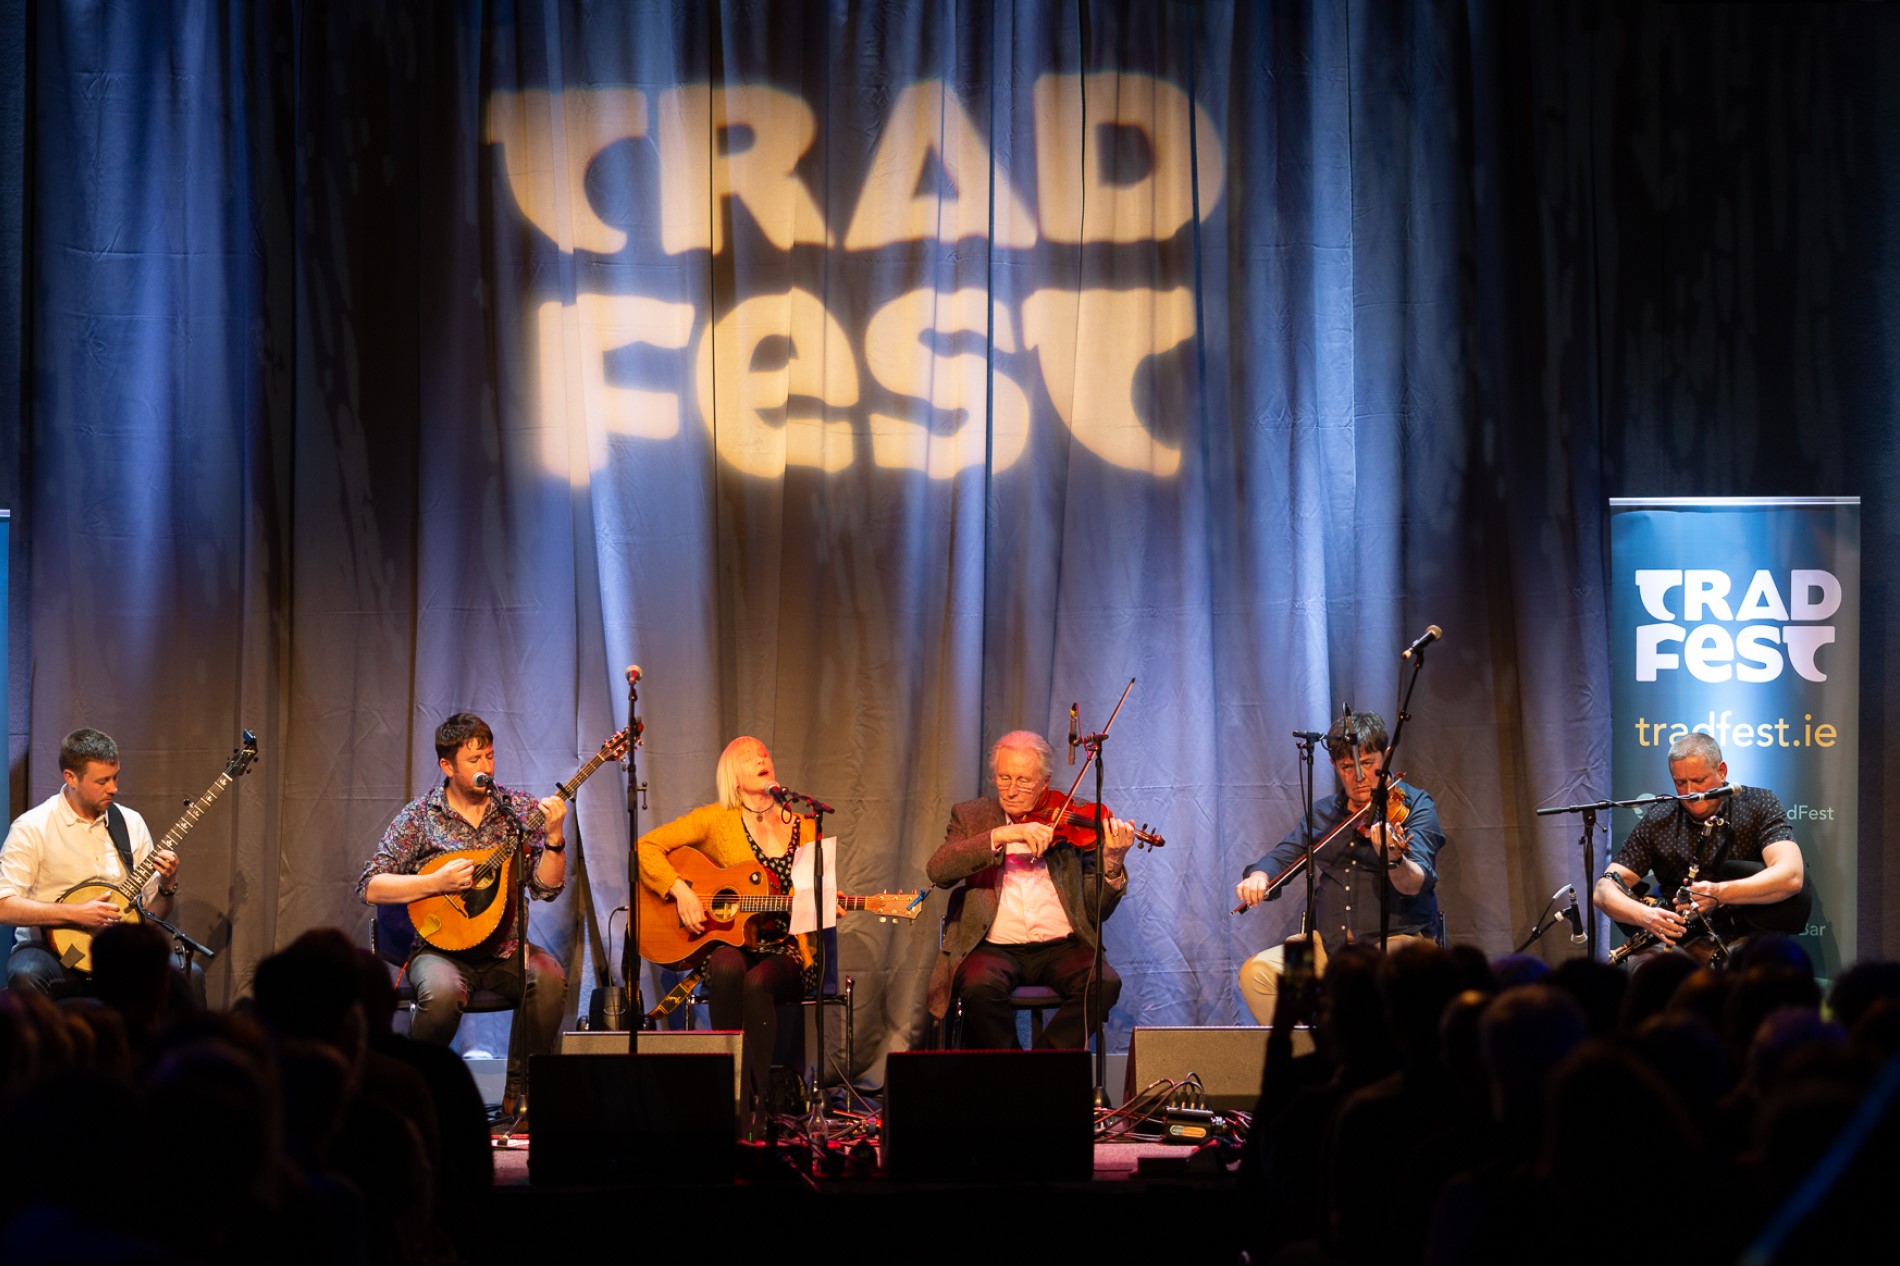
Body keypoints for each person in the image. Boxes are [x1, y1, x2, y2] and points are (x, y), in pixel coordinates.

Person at [357, 712, 568, 1117]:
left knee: (550, 978)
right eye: (474, 761)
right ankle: (414, 1096)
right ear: (447, 766)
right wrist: (434, 884)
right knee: (441, 992)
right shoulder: (421, 817)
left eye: (489, 756)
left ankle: (520, 1098)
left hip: (503, 949)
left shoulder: (518, 811)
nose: (486, 768)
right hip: (439, 950)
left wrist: (555, 839)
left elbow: (546, 888)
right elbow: (370, 885)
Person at [635, 736, 818, 1134]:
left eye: (765, 753)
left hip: (785, 950)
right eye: (750, 758)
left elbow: (811, 898)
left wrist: (824, 901)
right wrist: (679, 889)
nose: (762, 759)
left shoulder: (804, 826)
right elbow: (646, 847)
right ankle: (730, 1097)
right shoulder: (716, 819)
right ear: (734, 775)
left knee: (757, 983)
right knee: (725, 966)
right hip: (732, 942)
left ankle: (761, 1101)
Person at [1233, 709, 1447, 1024]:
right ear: (1334, 766)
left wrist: (1393, 857)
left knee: (1381, 990)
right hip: (1325, 948)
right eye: (1347, 767)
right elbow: (1284, 855)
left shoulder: (1414, 806)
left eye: (1369, 764)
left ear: (1385, 757)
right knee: (1258, 974)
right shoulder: (1322, 815)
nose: (1359, 776)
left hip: (1395, 943)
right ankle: (1309, 1059)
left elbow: (1415, 881)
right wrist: (1260, 876)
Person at [926, 730, 1134, 1050]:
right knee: (977, 986)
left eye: (1023, 780)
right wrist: (1001, 836)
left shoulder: (1073, 817)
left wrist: (1112, 865)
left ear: (1044, 782)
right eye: (1003, 778)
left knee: (1104, 983)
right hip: (994, 946)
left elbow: (1096, 911)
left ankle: (1037, 1072)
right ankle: (1019, 1077)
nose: (1010, 790)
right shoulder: (970, 816)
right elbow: (939, 870)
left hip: (1062, 947)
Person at [1594, 732, 1805, 965]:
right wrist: (1647, 917)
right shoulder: (1659, 819)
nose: (1690, 792)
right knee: (1647, 968)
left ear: (1721, 771)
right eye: (1680, 783)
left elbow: (1791, 876)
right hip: (1681, 942)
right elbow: (1604, 889)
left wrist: (1718, 893)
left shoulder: (1758, 803)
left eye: (1699, 780)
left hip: (1749, 936)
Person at [0, 728, 181, 997]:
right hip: (49, 951)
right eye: (102, 781)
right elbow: (3, 905)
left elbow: (152, 918)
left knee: (186, 974)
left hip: (117, 949)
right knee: (27, 974)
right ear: (71, 778)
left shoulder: (130, 823)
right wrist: (76, 913)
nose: (114, 788)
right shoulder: (33, 827)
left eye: (116, 777)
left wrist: (167, 884)